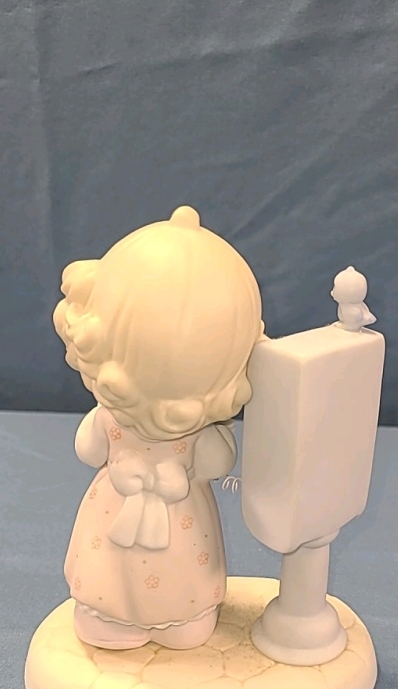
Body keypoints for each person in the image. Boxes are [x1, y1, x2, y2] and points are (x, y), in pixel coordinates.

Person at [52, 205, 265, 649]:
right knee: (118, 572)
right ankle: (119, 615)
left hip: (165, 512)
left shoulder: (181, 428)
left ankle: (182, 616)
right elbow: (91, 448)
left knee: (177, 573)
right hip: (139, 511)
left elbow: (215, 460)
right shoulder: (111, 416)